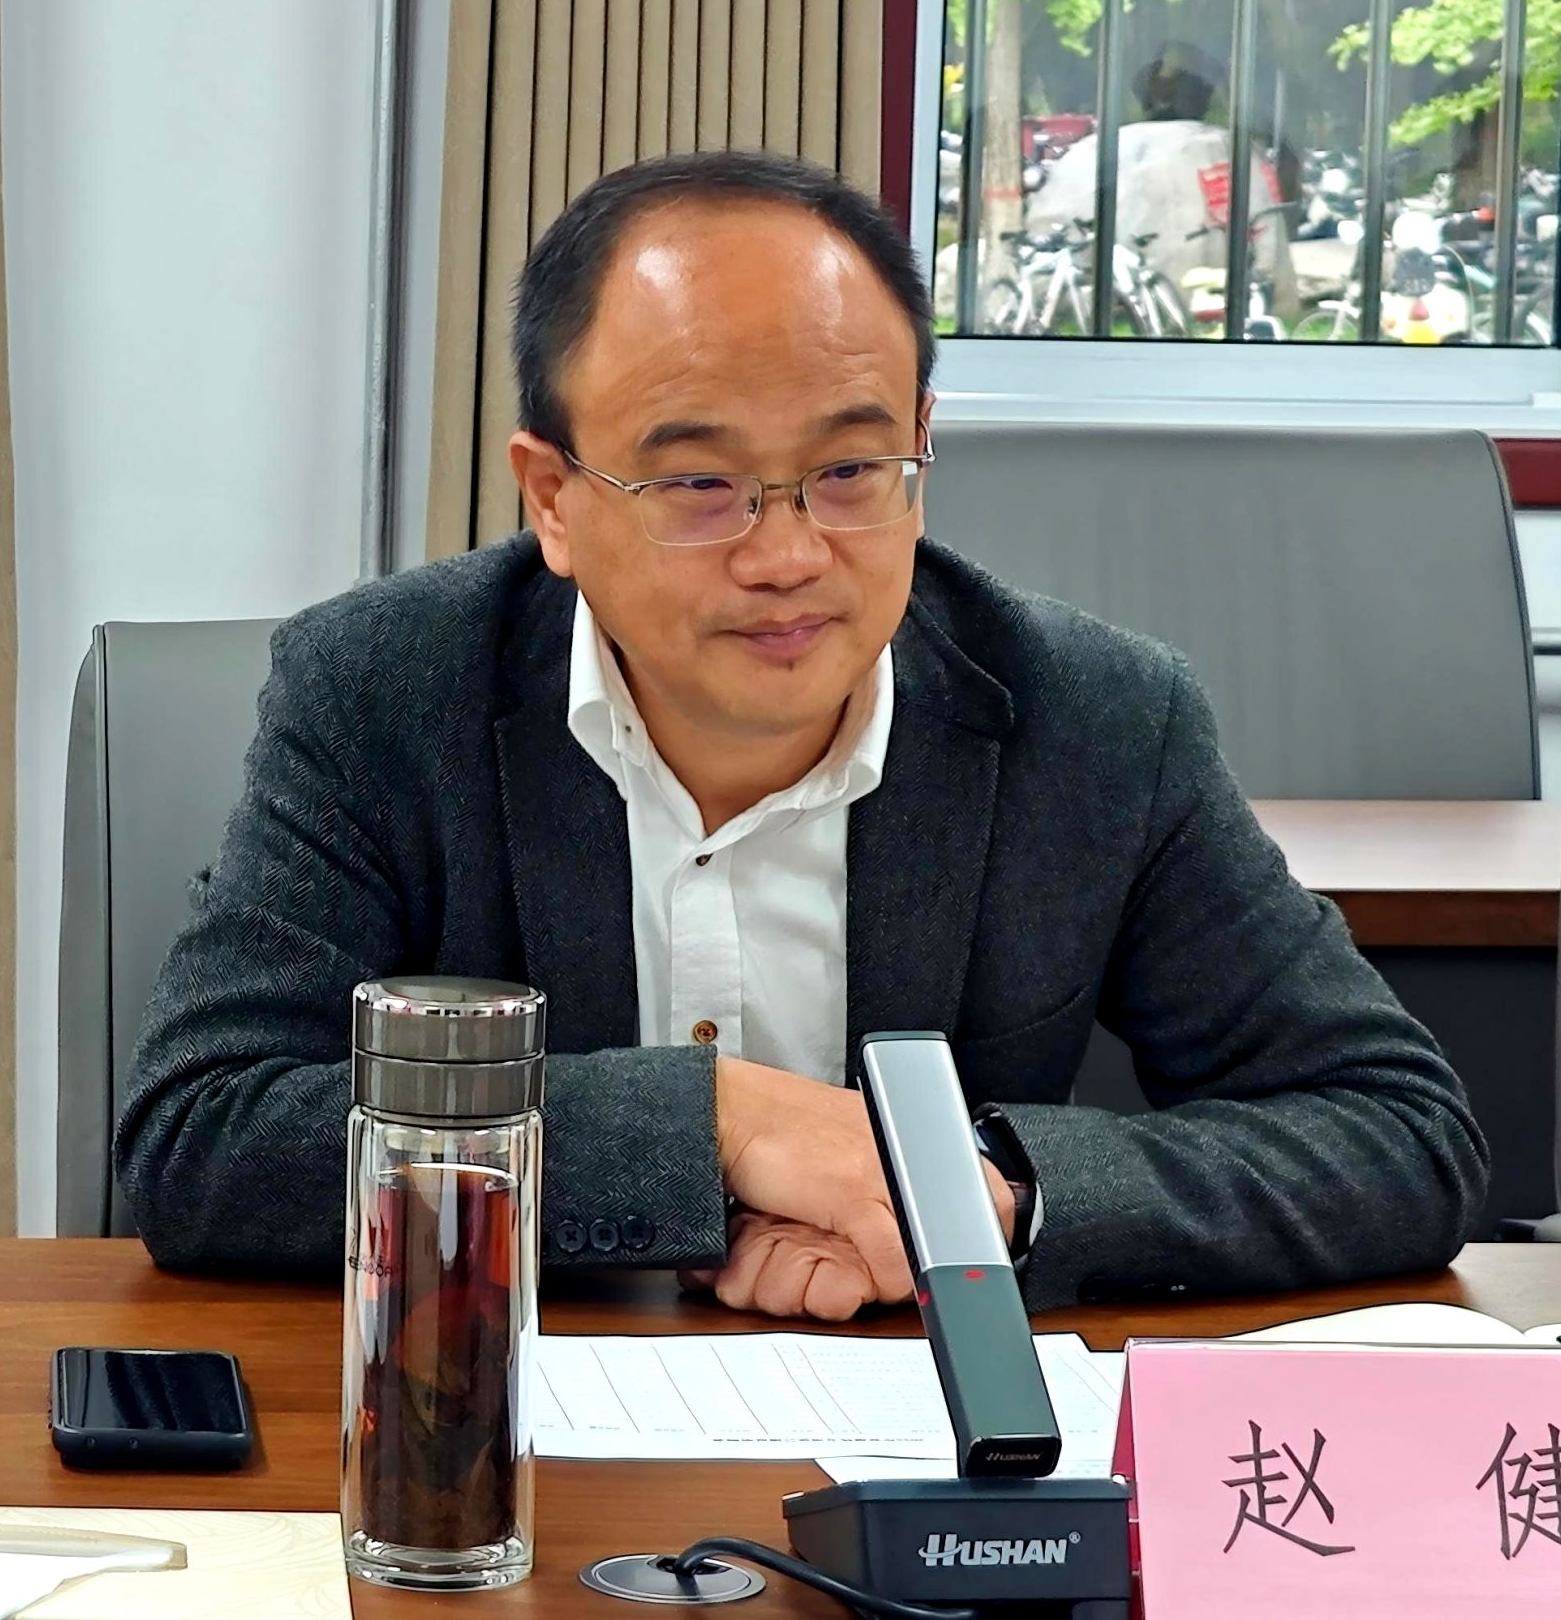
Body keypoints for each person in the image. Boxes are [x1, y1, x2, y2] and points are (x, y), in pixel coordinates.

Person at [116, 151, 1487, 1320]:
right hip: (502, 1426)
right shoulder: (384, 691)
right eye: (699, 483)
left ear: (920, 454)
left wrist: (980, 1193)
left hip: (921, 1442)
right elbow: (203, 1137)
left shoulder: (1096, 721)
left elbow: (1396, 1131)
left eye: (848, 470)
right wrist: (722, 1122)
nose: (787, 556)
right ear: (552, 498)